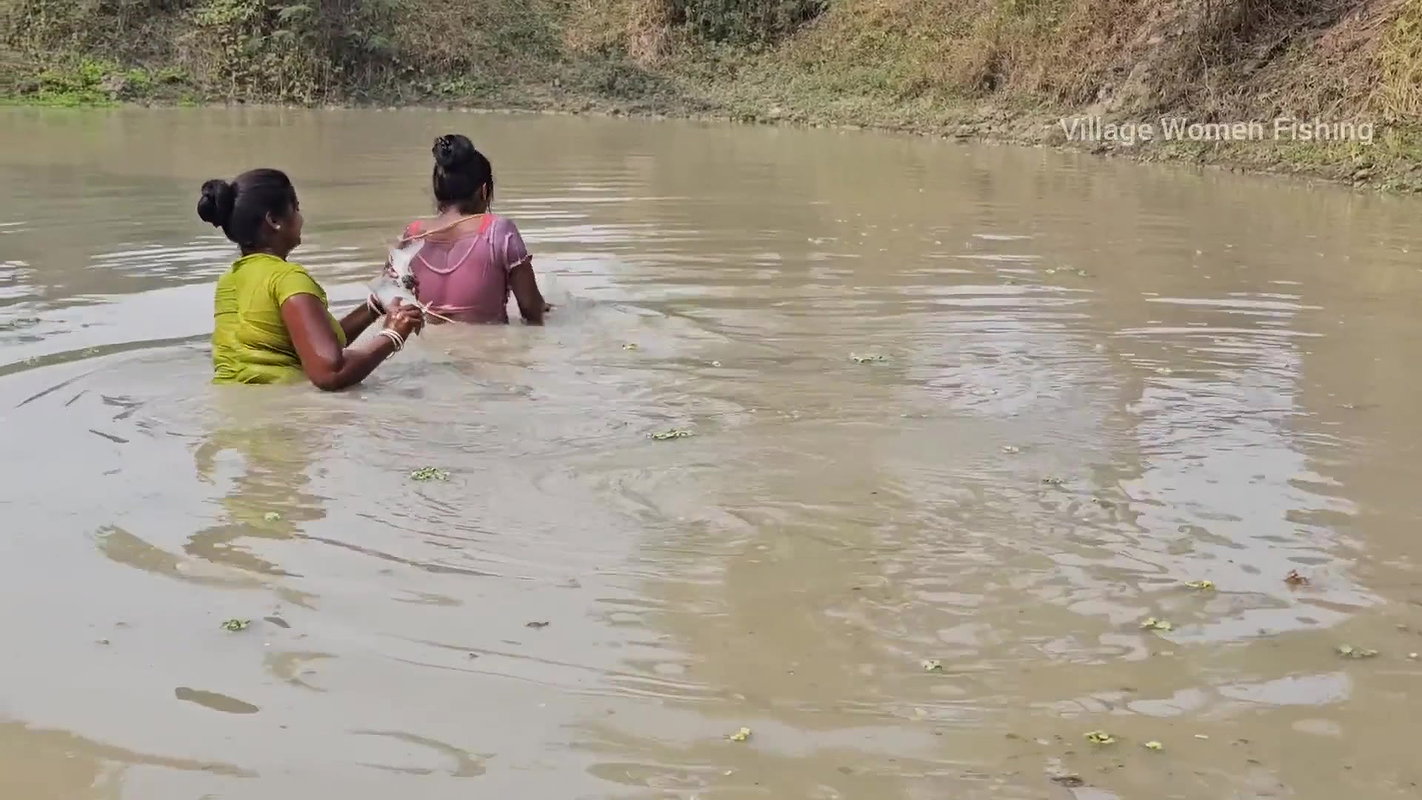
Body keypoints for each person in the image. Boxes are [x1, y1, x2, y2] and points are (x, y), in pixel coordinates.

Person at [199, 168, 424, 390]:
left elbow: (314, 344)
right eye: (296, 209)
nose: (301, 218)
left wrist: (377, 304)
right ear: (274, 220)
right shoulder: (288, 278)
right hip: (284, 415)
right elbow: (329, 373)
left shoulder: (229, 280)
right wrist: (393, 335)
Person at [395, 134, 547, 325]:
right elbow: (532, 311)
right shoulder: (499, 230)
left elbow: (385, 302)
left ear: (437, 189)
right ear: (484, 190)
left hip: (426, 349)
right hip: (487, 350)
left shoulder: (412, 233)